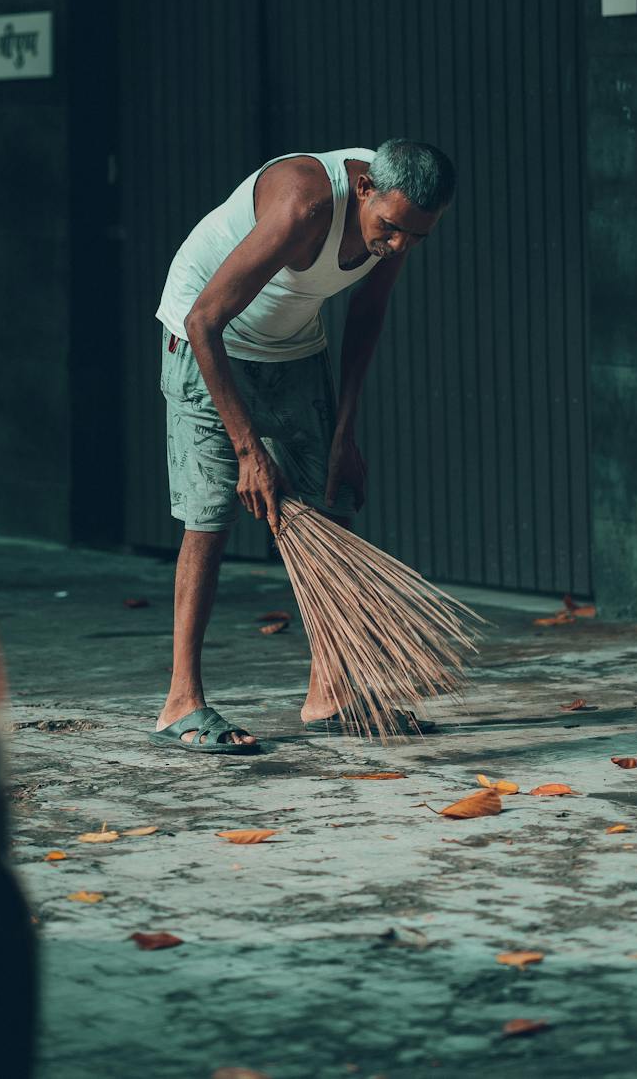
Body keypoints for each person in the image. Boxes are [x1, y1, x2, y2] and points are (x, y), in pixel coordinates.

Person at [151, 139, 455, 753]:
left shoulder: (398, 220)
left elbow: (367, 316)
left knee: (332, 498)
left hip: (292, 348)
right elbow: (203, 319)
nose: (398, 247)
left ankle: (331, 692)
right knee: (209, 520)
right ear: (364, 187)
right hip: (206, 340)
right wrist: (247, 452)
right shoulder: (304, 204)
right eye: (392, 230)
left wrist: (345, 434)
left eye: (417, 238)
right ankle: (181, 701)